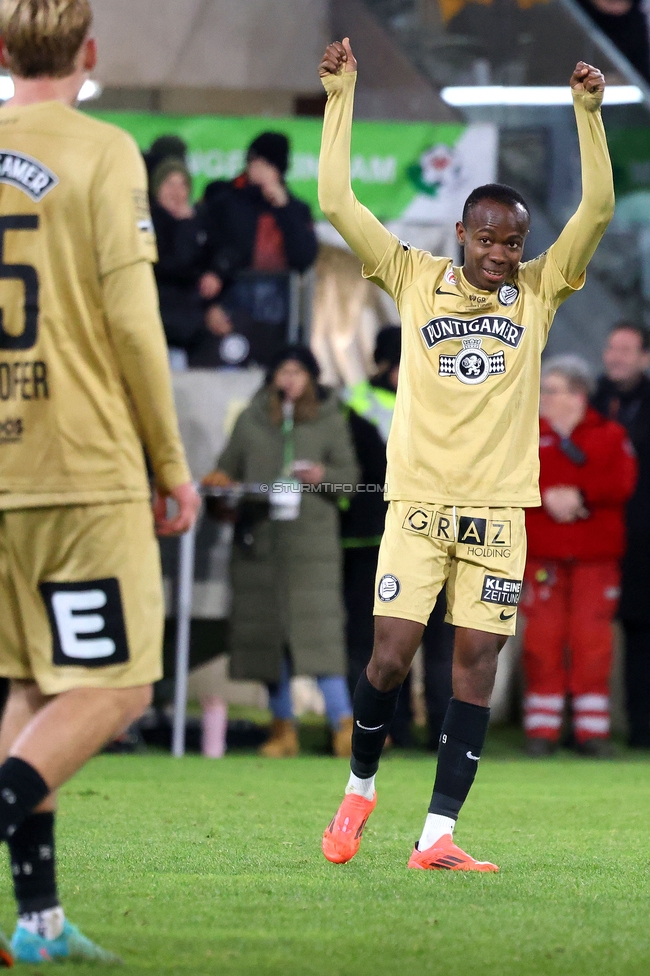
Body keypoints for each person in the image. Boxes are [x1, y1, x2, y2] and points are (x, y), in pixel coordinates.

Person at [318, 38, 614, 872]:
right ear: (462, 232)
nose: (501, 254)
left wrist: (588, 117)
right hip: (416, 501)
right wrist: (341, 98)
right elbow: (337, 201)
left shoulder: (542, 294)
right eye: (488, 239)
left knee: (476, 663)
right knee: (391, 652)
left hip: (496, 513)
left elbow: (593, 215)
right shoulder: (413, 276)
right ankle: (361, 786)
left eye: (513, 242)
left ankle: (438, 835)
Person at [0, 0, 200, 963]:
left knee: (36, 685)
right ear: (88, 54)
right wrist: (169, 461)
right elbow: (133, 323)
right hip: (79, 465)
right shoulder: (105, 149)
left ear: (0, 54)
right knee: (119, 688)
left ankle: (36, 921)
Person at [202, 346, 359, 758]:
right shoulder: (251, 419)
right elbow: (226, 470)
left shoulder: (329, 419)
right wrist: (221, 486)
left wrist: (322, 476)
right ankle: (281, 727)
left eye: (297, 371)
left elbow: (350, 478)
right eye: (282, 371)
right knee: (267, 638)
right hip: (260, 545)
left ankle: (343, 725)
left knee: (321, 637)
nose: (289, 379)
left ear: (311, 377)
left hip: (313, 547)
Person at [341, 326, 454, 749]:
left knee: (439, 643)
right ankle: (387, 731)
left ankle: (440, 731)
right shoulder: (357, 403)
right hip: (372, 540)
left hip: (433, 536)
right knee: (383, 644)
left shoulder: (438, 397)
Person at [522, 356, 636, 758]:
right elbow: (509, 479)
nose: (543, 398)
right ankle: (542, 731)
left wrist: (578, 495)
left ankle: (592, 733)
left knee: (593, 643)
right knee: (541, 641)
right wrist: (547, 495)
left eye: (551, 390)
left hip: (595, 559)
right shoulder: (525, 436)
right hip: (542, 559)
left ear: (578, 394)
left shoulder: (608, 435)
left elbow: (622, 481)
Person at [592, 323, 650, 746]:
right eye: (612, 348)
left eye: (626, 350)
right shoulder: (592, 402)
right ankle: (598, 730)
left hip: (644, 539)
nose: (615, 357)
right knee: (599, 632)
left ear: (645, 356)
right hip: (601, 537)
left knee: (642, 631)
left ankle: (641, 728)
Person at [150, 156, 221, 362]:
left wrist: (215, 273)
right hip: (162, 317)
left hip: (191, 324)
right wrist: (184, 226)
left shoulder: (199, 221)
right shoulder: (149, 222)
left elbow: (215, 253)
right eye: (169, 184)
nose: (176, 191)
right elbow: (173, 265)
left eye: (182, 184)